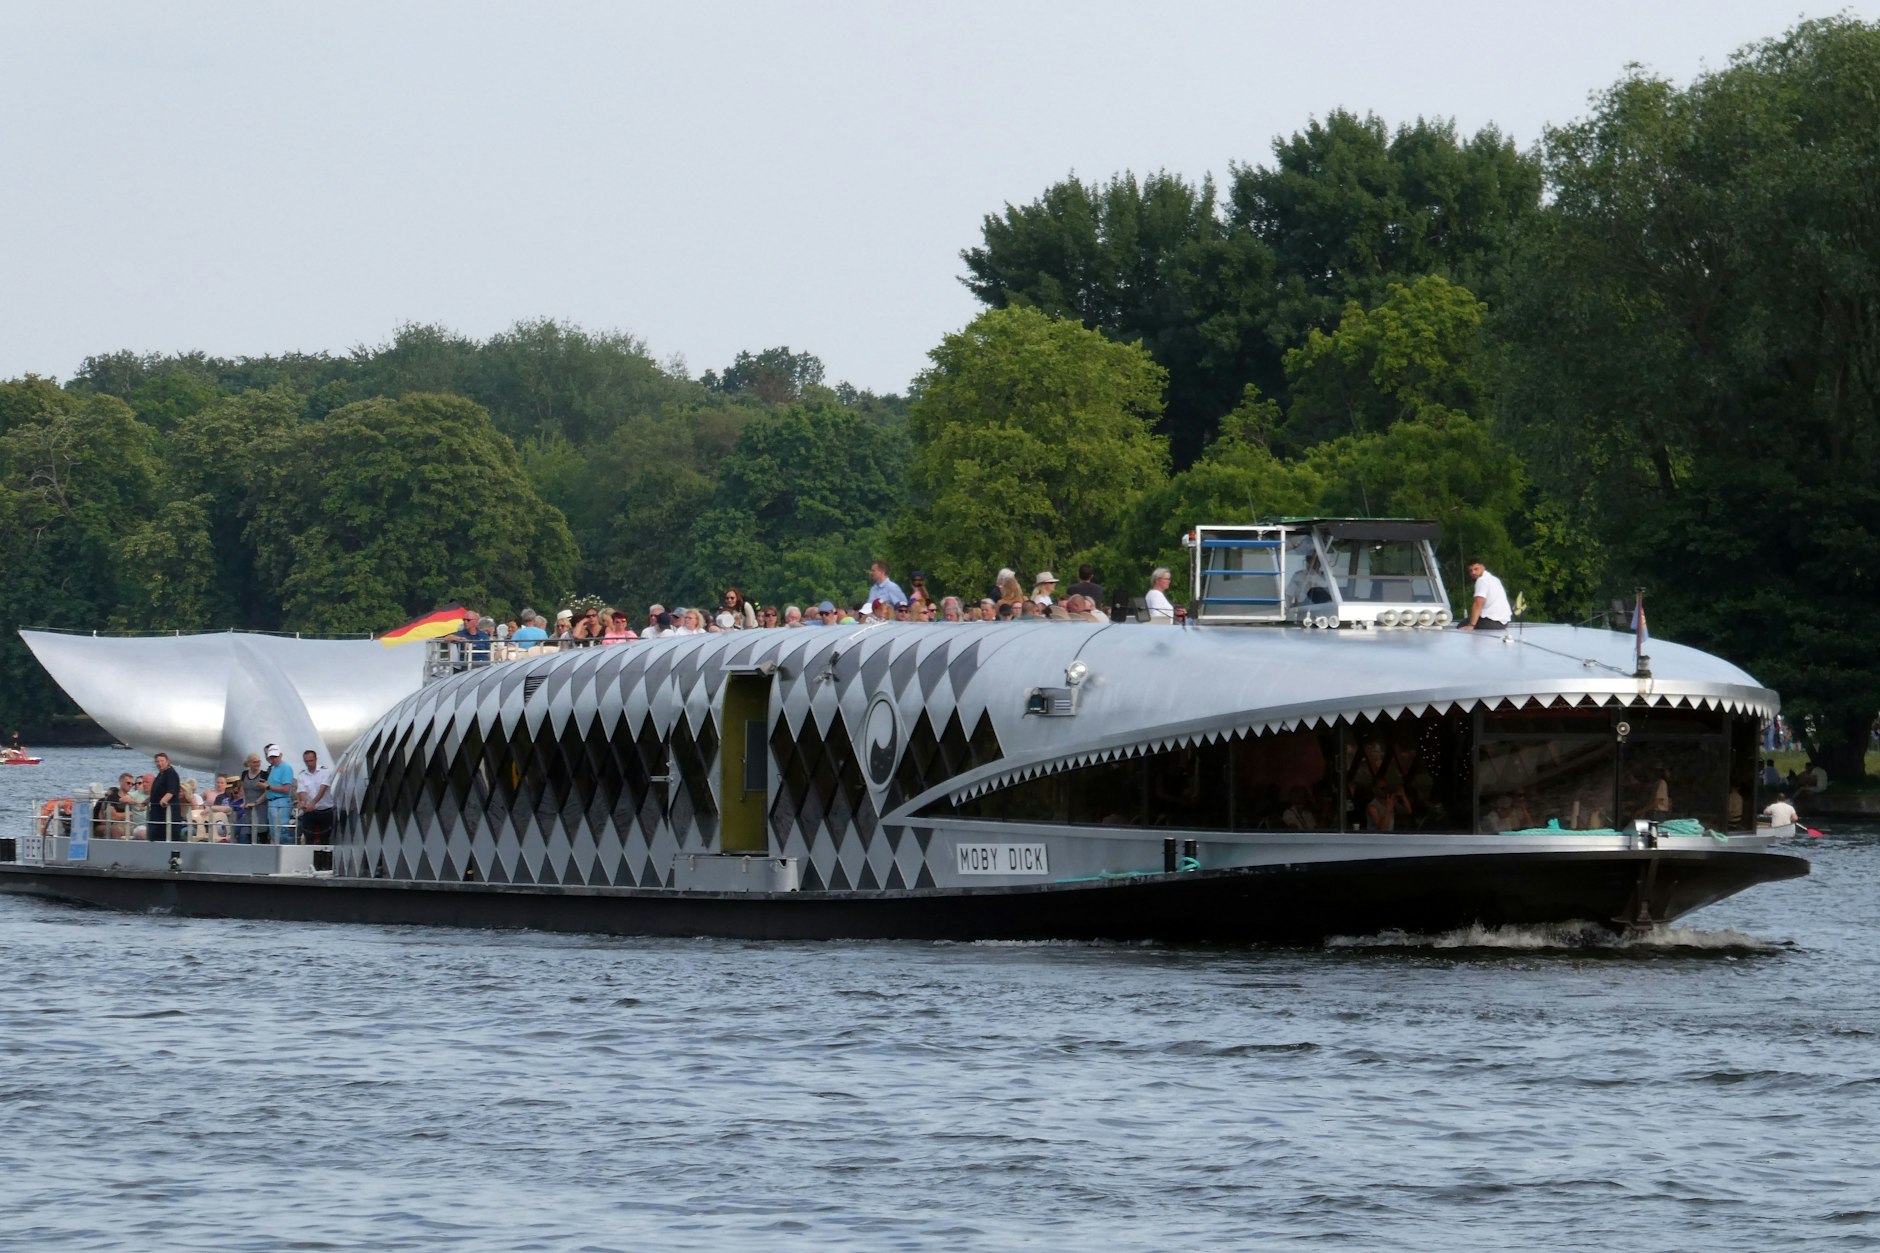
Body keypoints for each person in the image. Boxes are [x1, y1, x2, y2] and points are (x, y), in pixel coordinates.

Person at [1457, 560, 1512, 631]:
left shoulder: (1482, 580)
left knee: (1460, 626)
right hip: (1504, 623)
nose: (1473, 572)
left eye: (1476, 569)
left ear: (1483, 567)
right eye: (1471, 571)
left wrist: (1471, 625)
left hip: (1492, 621)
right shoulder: (1495, 579)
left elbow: (1478, 604)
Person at [296, 749, 335, 844]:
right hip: (310, 812)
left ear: (316, 759)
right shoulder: (302, 775)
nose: (309, 763)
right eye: (306, 761)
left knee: (325, 839)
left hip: (325, 810)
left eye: (311, 760)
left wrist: (313, 803)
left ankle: (324, 858)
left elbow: (323, 788)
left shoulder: (324, 771)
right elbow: (302, 791)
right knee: (309, 837)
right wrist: (303, 803)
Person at [264, 744, 297, 844]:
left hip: (281, 802)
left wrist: (268, 787)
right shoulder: (274, 768)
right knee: (274, 831)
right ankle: (277, 852)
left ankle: (286, 852)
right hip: (272, 802)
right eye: (271, 757)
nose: (273, 759)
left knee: (282, 831)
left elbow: (286, 789)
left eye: (275, 757)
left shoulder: (286, 767)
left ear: (281, 755)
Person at [147, 752, 182, 842]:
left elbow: (172, 790)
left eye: (162, 761)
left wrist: (164, 800)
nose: (159, 763)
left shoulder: (171, 773)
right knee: (154, 836)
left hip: (167, 814)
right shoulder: (160, 774)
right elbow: (156, 792)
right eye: (157, 761)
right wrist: (146, 801)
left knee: (167, 837)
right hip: (156, 813)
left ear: (167, 761)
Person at [237, 752, 268, 844]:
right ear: (249, 763)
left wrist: (256, 802)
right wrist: (244, 801)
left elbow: (267, 791)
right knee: (246, 833)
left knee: (261, 833)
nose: (257, 764)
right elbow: (243, 788)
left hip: (261, 807)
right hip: (248, 809)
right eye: (254, 762)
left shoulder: (264, 774)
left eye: (258, 762)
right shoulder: (244, 774)